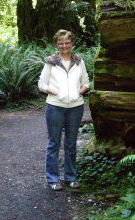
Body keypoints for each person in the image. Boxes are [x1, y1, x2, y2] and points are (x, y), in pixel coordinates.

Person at [38, 29, 89, 191]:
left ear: (72, 43)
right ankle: (53, 179)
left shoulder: (79, 61)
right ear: (56, 44)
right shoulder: (50, 62)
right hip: (55, 107)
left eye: (67, 42)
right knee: (54, 143)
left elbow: (86, 82)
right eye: (61, 43)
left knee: (71, 143)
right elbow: (42, 84)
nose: (64, 46)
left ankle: (70, 177)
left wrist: (79, 92)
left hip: (75, 107)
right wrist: (56, 92)